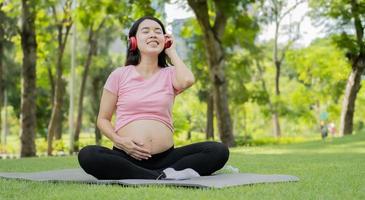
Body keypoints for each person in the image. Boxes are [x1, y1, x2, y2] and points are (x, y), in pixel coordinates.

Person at [78, 16, 229, 180]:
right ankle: (158, 177)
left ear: (165, 40)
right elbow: (103, 119)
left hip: (167, 159)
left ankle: (155, 175)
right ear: (134, 41)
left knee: (218, 150)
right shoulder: (119, 75)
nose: (153, 34)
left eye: (158, 32)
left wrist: (171, 51)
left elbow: (188, 80)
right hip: (126, 156)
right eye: (146, 31)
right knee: (88, 154)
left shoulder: (171, 73)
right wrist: (120, 141)